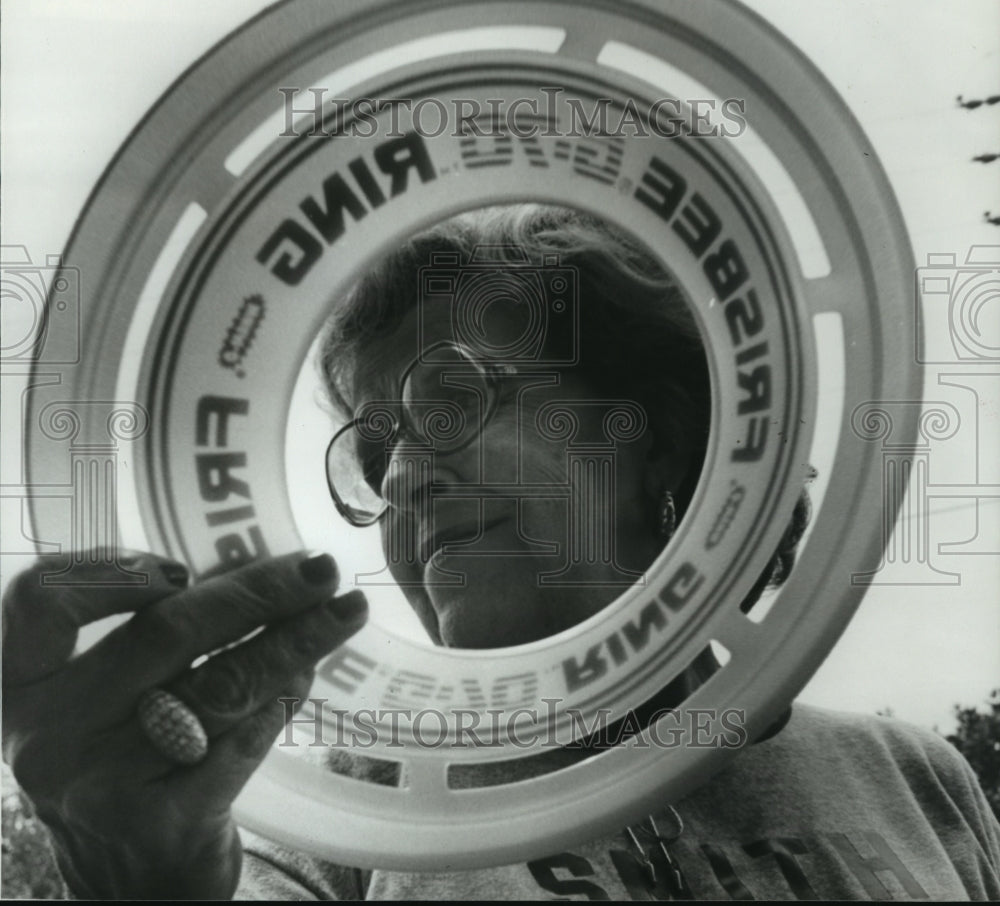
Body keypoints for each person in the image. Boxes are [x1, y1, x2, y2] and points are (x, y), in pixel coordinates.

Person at [3, 206, 999, 900]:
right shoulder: (345, 821)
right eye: (377, 448)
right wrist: (138, 880)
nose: (401, 479)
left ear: (648, 427)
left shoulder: (911, 774)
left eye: (452, 400)